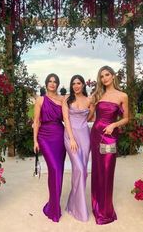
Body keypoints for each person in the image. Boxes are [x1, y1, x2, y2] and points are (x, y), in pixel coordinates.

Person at [90, 65, 129, 225]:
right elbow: (90, 116)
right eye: (101, 76)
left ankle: (106, 211)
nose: (104, 78)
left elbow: (127, 118)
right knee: (98, 170)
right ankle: (96, 205)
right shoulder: (98, 95)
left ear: (113, 76)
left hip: (110, 137)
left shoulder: (122, 95)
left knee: (107, 170)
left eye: (107, 74)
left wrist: (114, 125)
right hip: (96, 135)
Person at [33, 73, 66, 222]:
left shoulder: (62, 99)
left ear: (57, 84)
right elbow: (36, 121)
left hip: (59, 136)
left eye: (55, 82)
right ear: (46, 84)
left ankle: (54, 204)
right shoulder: (40, 100)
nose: (52, 84)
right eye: (50, 81)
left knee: (58, 170)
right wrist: (35, 141)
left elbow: (68, 119)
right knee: (53, 169)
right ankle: (53, 207)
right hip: (44, 137)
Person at [62, 75, 93, 222]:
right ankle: (79, 210)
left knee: (83, 171)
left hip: (85, 137)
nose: (76, 86)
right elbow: (66, 119)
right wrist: (72, 138)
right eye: (73, 83)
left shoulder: (89, 100)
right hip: (70, 136)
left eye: (78, 83)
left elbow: (91, 117)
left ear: (83, 85)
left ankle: (72, 205)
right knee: (79, 168)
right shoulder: (67, 99)